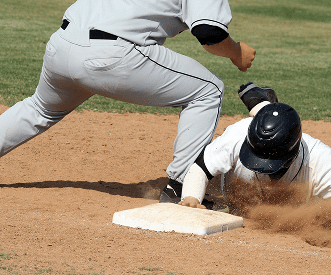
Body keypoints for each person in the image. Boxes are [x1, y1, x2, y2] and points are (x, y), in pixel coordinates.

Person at [0, 0, 255, 190]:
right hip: (112, 55)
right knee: (208, 90)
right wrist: (236, 52)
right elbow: (210, 33)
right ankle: (182, 186)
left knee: (39, 108)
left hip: (62, 44)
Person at [165, 82, 331, 214]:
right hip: (230, 200)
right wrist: (191, 197)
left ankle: (262, 105)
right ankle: (263, 107)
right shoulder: (239, 133)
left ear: (291, 156)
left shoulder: (320, 161)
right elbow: (201, 168)